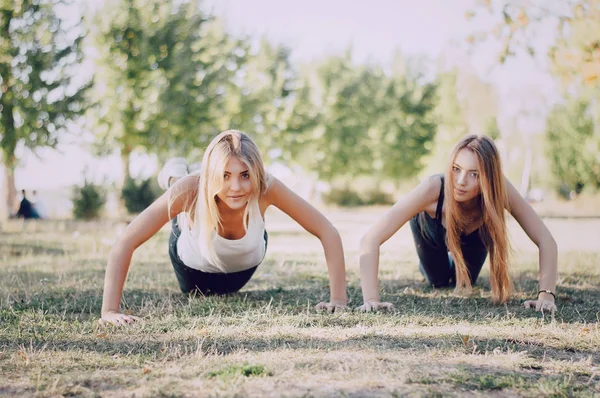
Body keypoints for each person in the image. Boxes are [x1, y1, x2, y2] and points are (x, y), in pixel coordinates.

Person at [100, 130, 347, 326]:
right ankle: (175, 175)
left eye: (245, 175)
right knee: (184, 190)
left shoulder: (267, 187)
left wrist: (338, 300)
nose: (237, 187)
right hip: (193, 271)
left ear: (256, 173)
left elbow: (328, 232)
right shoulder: (191, 191)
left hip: (241, 272)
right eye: (225, 175)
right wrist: (109, 311)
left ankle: (202, 170)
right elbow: (126, 241)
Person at [358, 135, 558, 313]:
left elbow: (546, 240)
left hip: (474, 238)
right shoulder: (432, 188)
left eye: (474, 174)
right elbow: (370, 238)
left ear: (488, 177)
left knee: (465, 282)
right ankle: (429, 265)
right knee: (439, 281)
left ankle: (457, 261)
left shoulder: (500, 189)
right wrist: (372, 300)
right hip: (431, 237)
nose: (461, 181)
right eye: (456, 169)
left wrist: (546, 296)